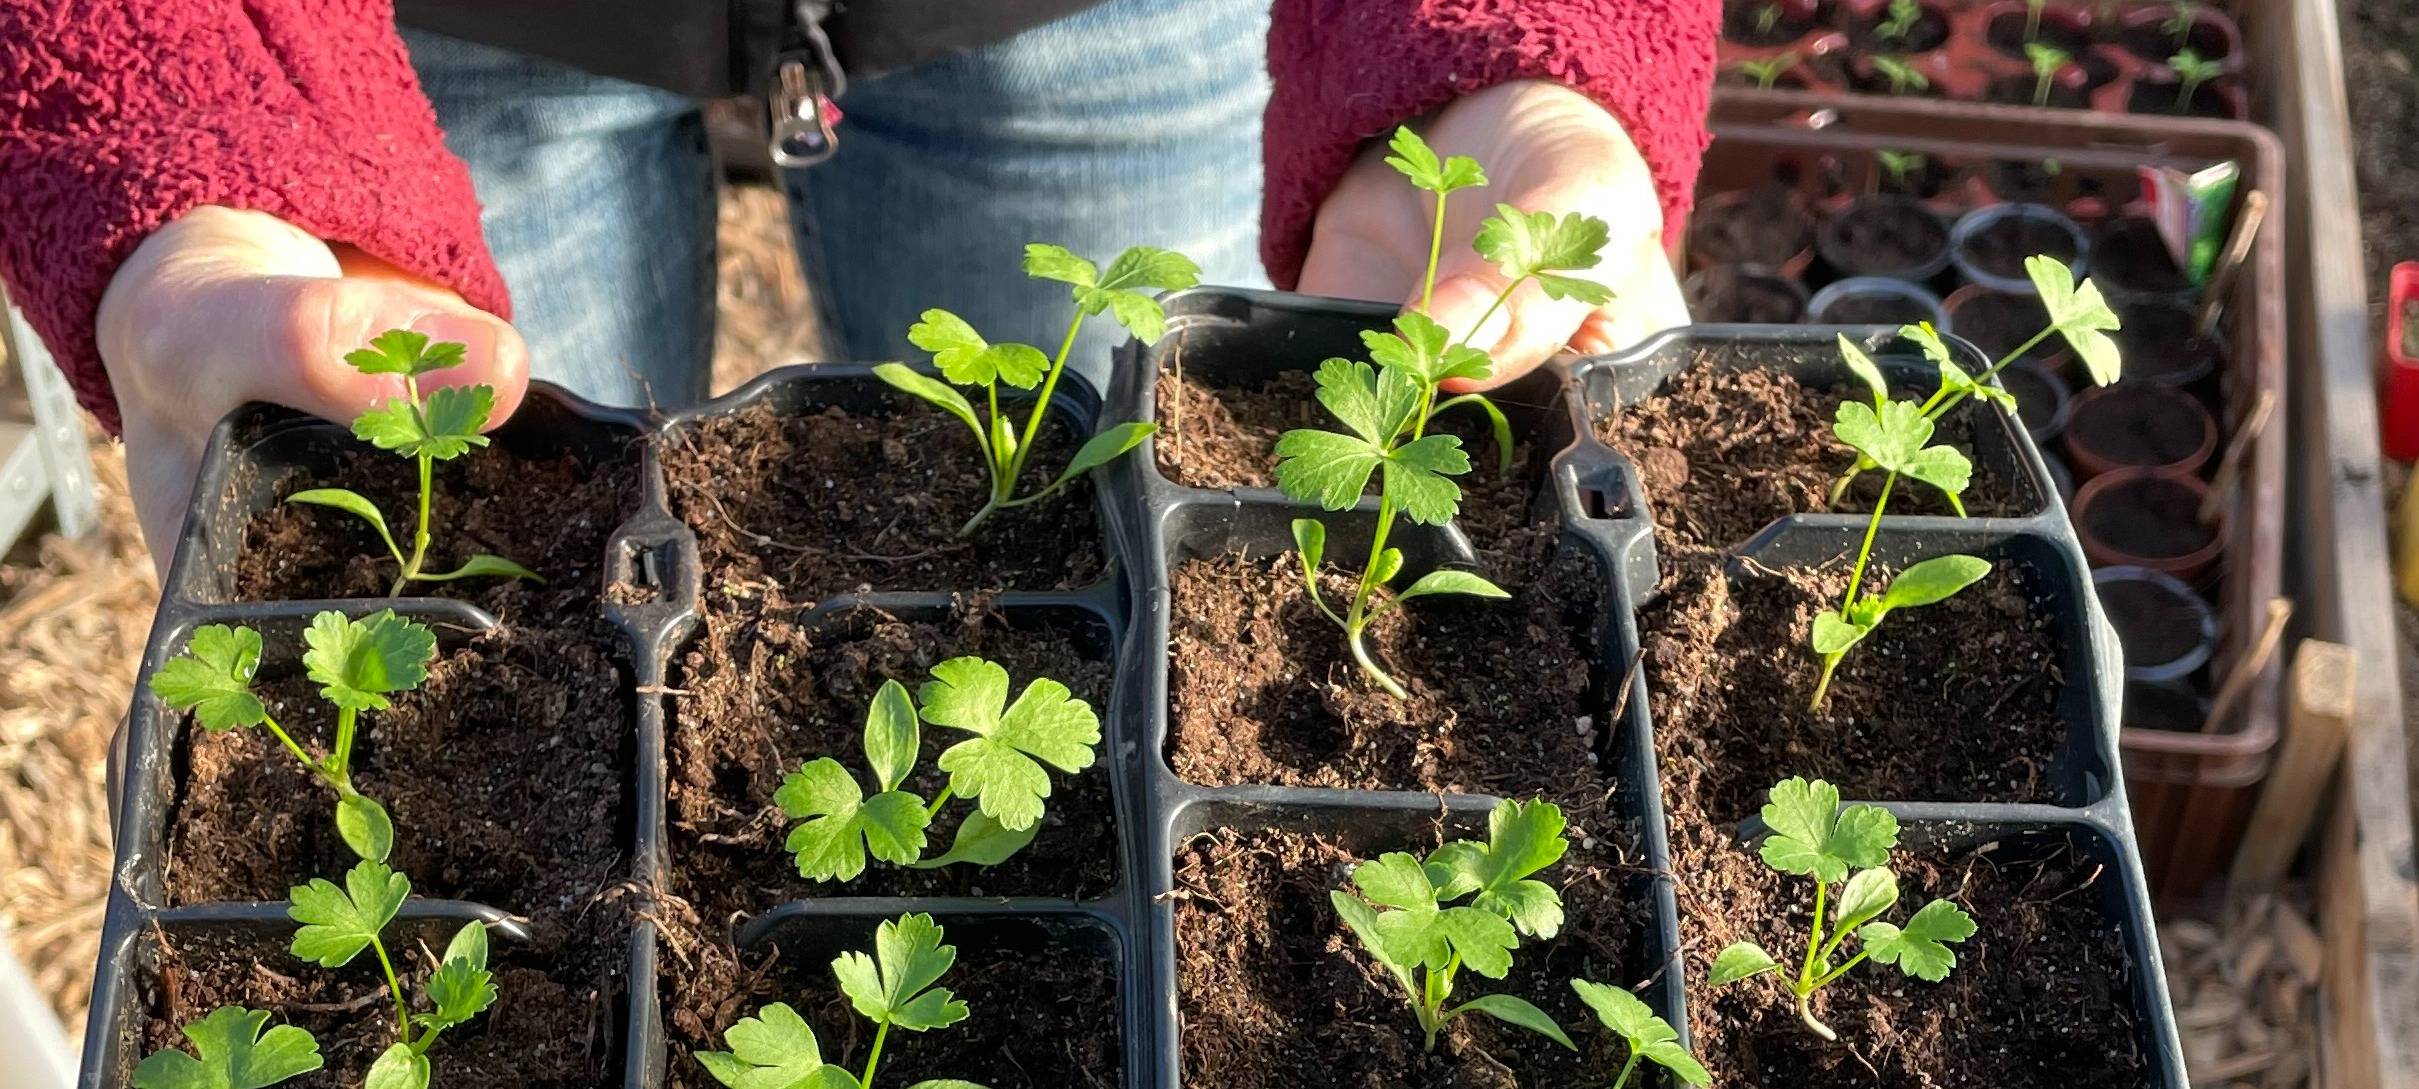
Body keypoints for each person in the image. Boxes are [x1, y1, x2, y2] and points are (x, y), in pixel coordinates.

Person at [0, 0, 1717, 575]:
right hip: (395, 44)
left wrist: (1514, 44)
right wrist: (194, 113)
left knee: (1165, 553)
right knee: (521, 567)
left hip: (1111, 25)